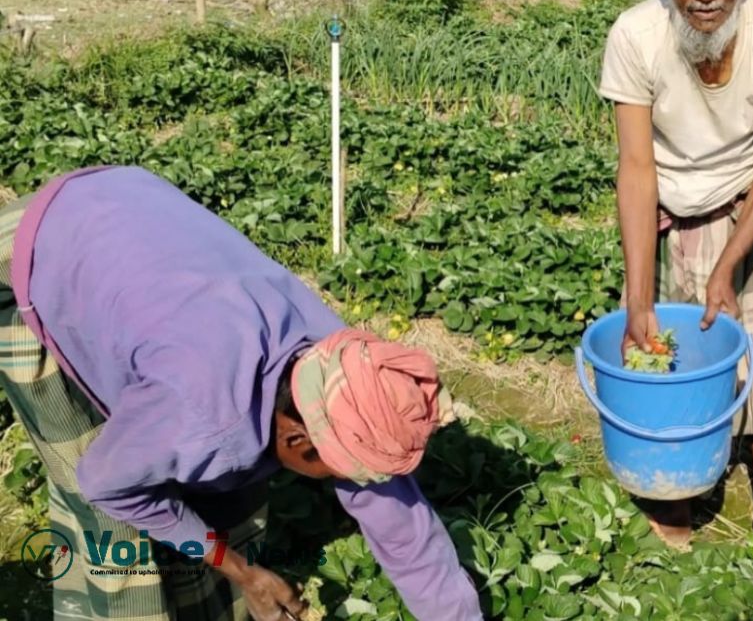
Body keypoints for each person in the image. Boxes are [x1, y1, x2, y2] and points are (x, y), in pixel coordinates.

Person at [0, 166, 482, 620]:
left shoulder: (347, 378)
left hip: (138, 215)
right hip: (47, 242)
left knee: (230, 482)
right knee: (115, 538)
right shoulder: (200, 406)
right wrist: (240, 570)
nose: (347, 487)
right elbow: (104, 482)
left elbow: (406, 536)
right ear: (297, 439)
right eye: (335, 474)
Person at [597, 0, 753, 544]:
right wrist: (638, 296)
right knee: (660, 354)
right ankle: (675, 501)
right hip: (664, 201)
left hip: (746, 202)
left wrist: (727, 268)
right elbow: (637, 167)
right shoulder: (636, 35)